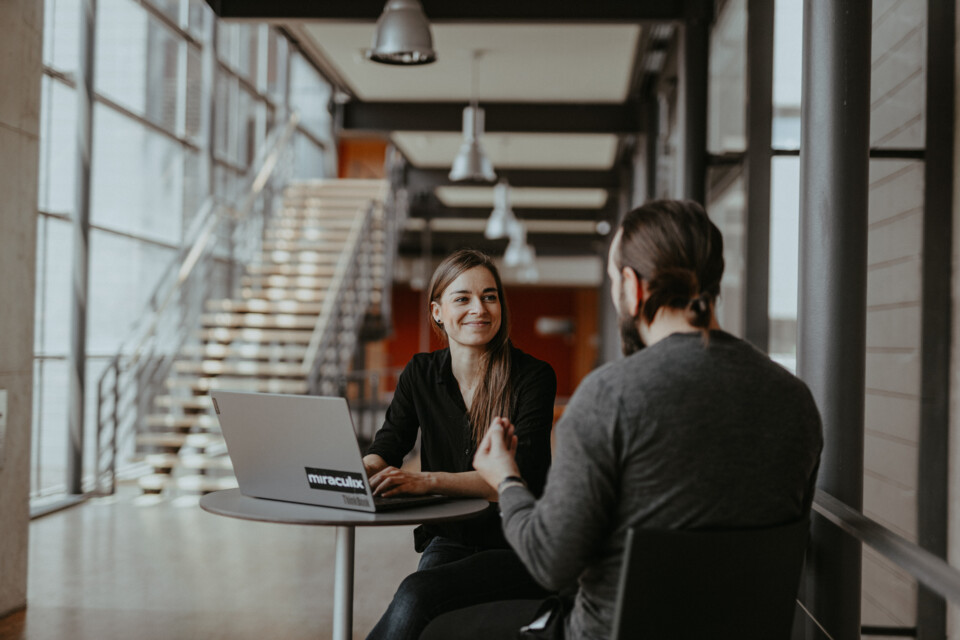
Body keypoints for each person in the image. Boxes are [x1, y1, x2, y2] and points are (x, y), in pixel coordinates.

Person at [421, 199, 824, 640]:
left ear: (632, 287)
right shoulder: (795, 400)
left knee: (431, 622)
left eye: (613, 281)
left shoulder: (610, 397)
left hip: (610, 632)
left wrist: (506, 479)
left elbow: (548, 560)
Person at [362, 249, 557, 640]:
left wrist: (427, 481)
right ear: (437, 311)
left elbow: (519, 480)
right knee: (418, 606)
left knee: (416, 596)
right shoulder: (420, 373)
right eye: (462, 298)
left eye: (489, 296)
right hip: (451, 538)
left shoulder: (533, 377)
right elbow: (387, 446)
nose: (479, 309)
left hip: (517, 543)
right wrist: (354, 471)